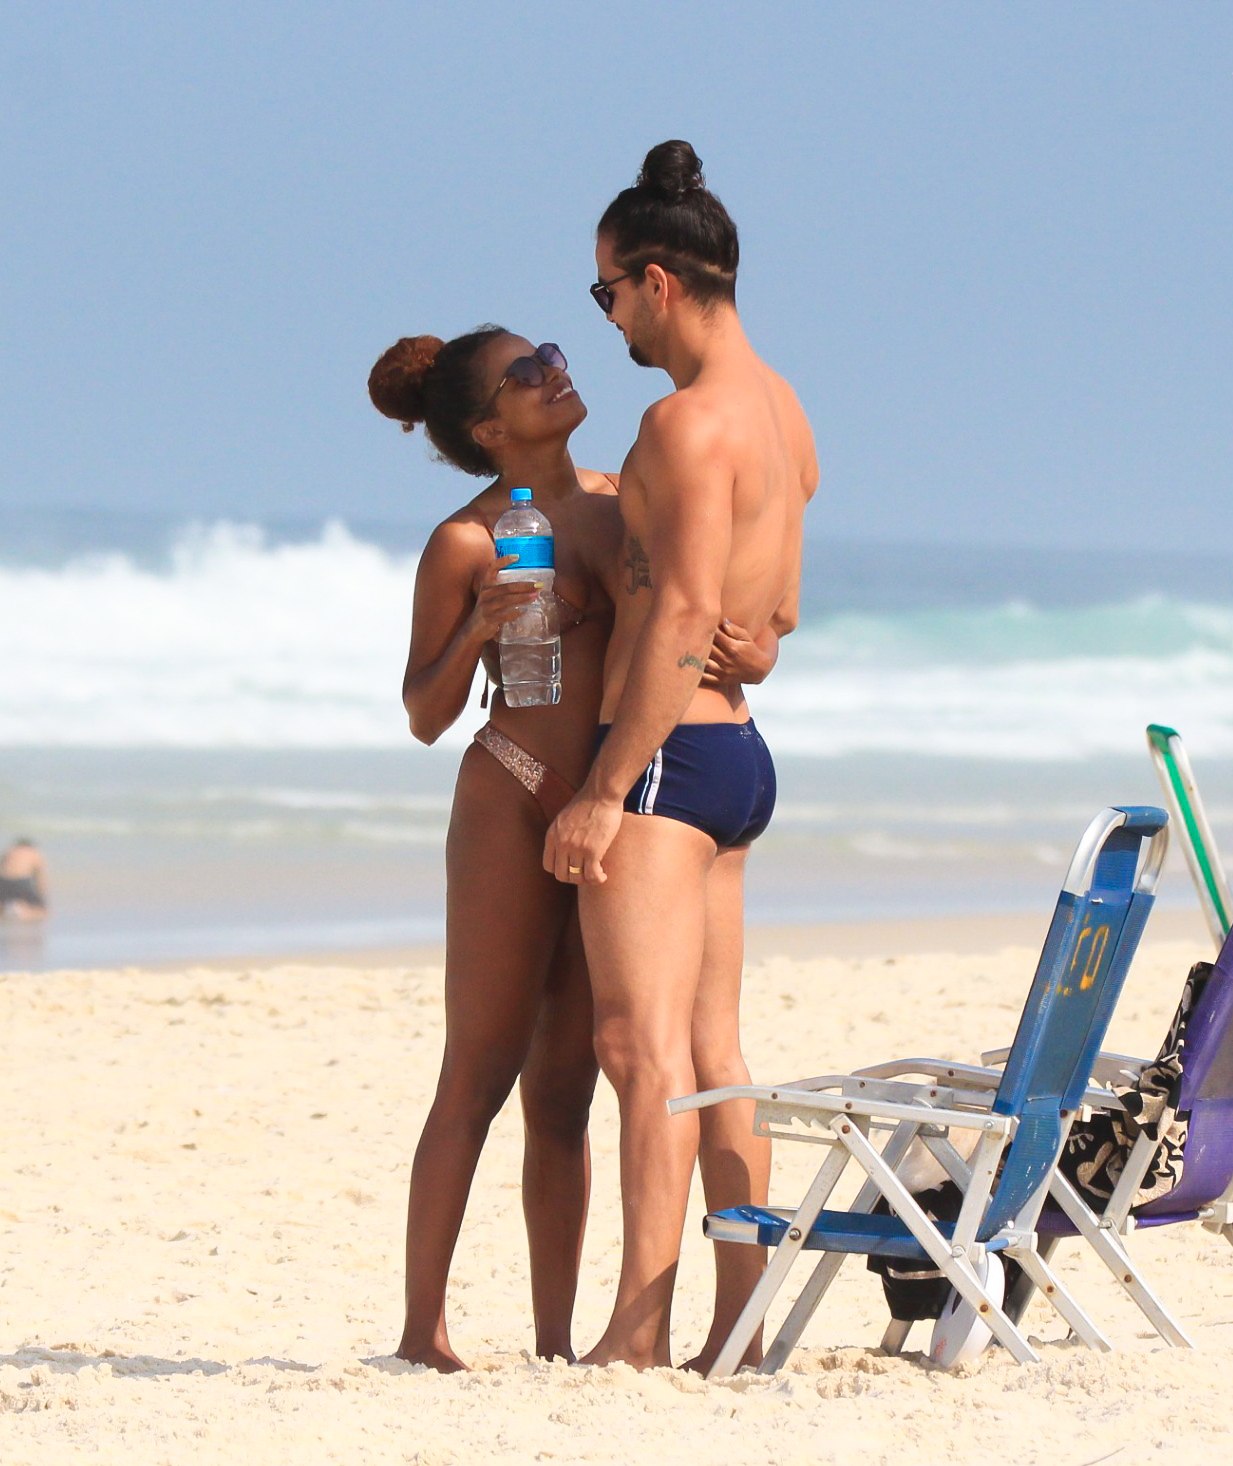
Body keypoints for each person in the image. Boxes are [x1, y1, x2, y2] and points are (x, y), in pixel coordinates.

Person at [371, 326, 776, 1371]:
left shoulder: (617, 496)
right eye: (528, 371)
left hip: (615, 799)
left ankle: (557, 1339)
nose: (557, 369)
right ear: (486, 426)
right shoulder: (465, 540)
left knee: (568, 1086)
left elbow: (698, 615)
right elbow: (423, 712)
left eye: (551, 352)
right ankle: (424, 1331)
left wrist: (755, 645)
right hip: (512, 791)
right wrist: (476, 631)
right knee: (480, 1068)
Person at [543, 140, 817, 1370]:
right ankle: (740, 1319)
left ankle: (639, 1329)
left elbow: (683, 613)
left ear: (657, 281)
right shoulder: (783, 409)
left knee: (634, 1044)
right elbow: (776, 622)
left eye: (605, 294)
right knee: (713, 1050)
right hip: (741, 756)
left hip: (663, 762)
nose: (604, 320)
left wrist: (603, 788)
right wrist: (738, 651)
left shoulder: (685, 423)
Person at [0, 838, 47, 921]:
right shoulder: (34, 853)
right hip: (21, 881)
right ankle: (22, 910)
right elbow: (40, 877)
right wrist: (42, 897)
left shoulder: (7, 851)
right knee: (40, 909)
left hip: (1, 881)